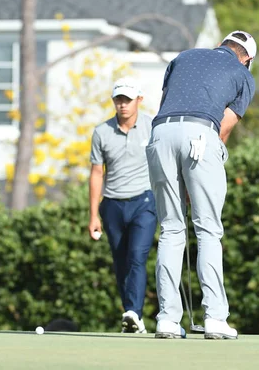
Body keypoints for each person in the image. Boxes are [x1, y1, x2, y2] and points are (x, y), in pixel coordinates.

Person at [145, 30, 257, 339]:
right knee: (208, 229)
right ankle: (215, 319)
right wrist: (201, 177)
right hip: (201, 136)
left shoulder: (184, 57)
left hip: (159, 135)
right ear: (246, 58)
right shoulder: (243, 75)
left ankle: (167, 319)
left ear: (222, 45)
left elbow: (167, 102)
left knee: (170, 228)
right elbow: (223, 128)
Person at [88, 77, 157, 334]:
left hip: (144, 201)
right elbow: (96, 173)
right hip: (113, 205)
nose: (123, 105)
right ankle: (131, 315)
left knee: (137, 257)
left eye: (127, 100)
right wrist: (94, 214)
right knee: (121, 263)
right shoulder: (101, 132)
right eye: (118, 99)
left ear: (139, 100)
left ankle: (133, 312)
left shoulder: (152, 126)